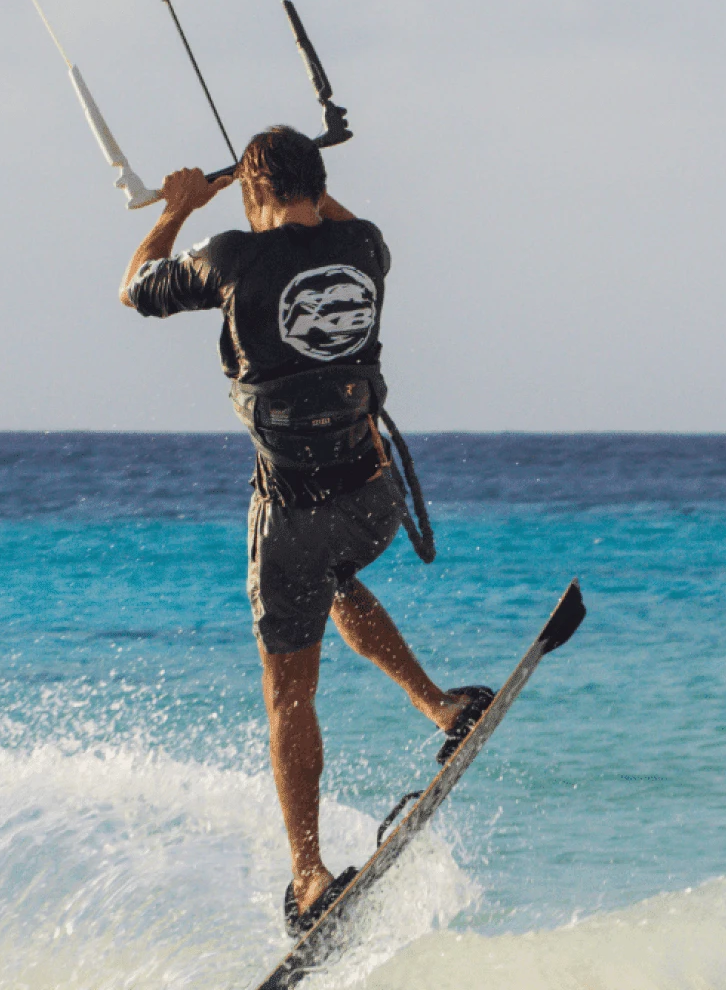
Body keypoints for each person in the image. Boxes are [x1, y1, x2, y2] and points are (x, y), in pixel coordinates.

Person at [119, 126, 492, 936]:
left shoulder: (230, 257)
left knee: (290, 690)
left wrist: (180, 207)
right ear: (320, 186)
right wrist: (293, 189)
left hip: (291, 514)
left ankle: (310, 874)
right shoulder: (365, 244)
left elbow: (135, 287)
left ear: (254, 194)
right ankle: (440, 707)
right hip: (372, 502)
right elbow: (335, 224)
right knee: (335, 583)